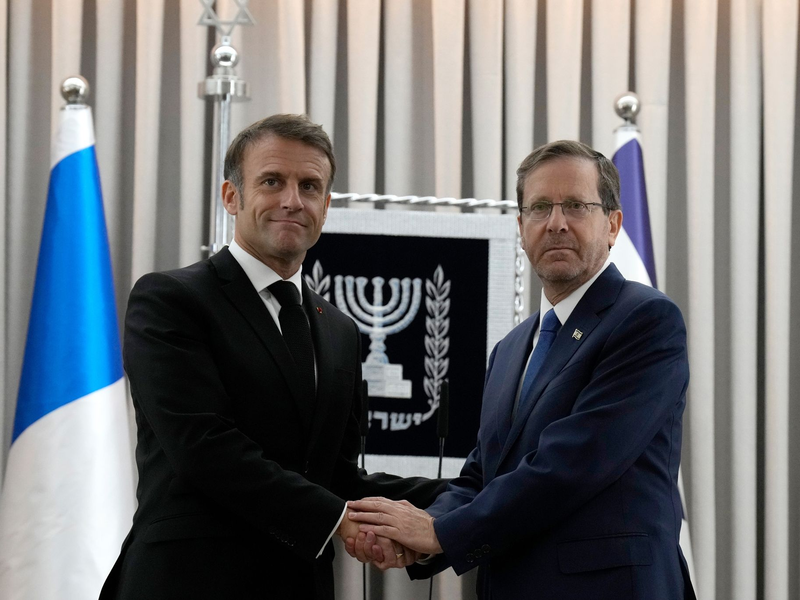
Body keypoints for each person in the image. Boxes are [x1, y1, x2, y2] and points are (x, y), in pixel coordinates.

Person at [100, 114, 445, 600]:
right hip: (188, 581)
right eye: (271, 181)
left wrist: (461, 501)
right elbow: (203, 446)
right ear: (231, 197)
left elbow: (336, 474)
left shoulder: (340, 329)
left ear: (325, 207)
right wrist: (338, 519)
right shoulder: (171, 298)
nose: (292, 200)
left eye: (309, 186)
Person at [348, 140, 696, 599]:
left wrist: (441, 534)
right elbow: (481, 475)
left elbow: (572, 463)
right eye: (539, 208)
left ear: (612, 224)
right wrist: (426, 528)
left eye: (575, 205)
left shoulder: (645, 319)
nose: (555, 223)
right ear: (520, 225)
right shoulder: (511, 349)